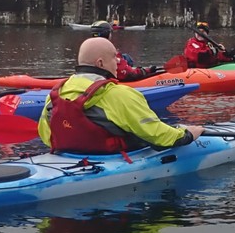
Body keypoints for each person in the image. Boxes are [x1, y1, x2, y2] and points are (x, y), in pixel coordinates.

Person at [38, 36, 204, 154]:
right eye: (114, 58)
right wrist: (188, 134)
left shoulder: (55, 93)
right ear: (100, 63)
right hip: (110, 159)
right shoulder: (120, 94)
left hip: (66, 158)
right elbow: (159, 137)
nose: (118, 62)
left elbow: (46, 136)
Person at [90, 21, 161, 81]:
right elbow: (128, 74)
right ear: (107, 34)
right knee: (127, 59)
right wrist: (146, 71)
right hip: (112, 84)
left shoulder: (88, 50)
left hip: (95, 81)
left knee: (125, 57)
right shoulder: (110, 53)